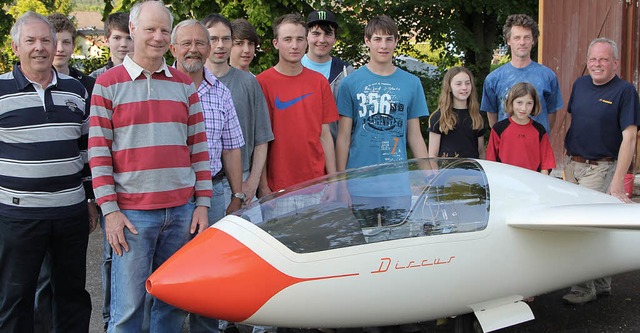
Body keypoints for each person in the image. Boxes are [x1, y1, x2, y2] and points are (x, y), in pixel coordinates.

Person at [88, 2, 212, 332]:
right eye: (150, 29)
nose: (157, 37)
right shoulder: (108, 85)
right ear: (132, 29)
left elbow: (199, 149)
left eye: (164, 30)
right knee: (128, 310)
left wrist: (202, 204)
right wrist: (110, 212)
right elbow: (98, 154)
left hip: (181, 213)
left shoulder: (185, 85)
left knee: (172, 306)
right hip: (132, 216)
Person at [0, 11, 94, 332]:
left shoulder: (76, 90)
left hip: (70, 215)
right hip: (17, 217)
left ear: (55, 45)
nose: (39, 47)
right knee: (15, 298)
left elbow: (85, 150)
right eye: (31, 41)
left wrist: (91, 200)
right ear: (16, 47)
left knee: (71, 296)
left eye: (45, 40)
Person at [169, 17, 246, 333]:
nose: (193, 49)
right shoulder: (159, 86)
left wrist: (237, 196)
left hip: (213, 194)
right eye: (186, 43)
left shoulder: (221, 93)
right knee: (170, 271)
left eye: (200, 43)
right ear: (173, 48)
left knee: (209, 274)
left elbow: (232, 148)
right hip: (169, 197)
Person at [31, 13, 98, 333]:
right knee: (38, 284)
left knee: (70, 283)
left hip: (70, 203)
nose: (54, 48)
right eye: (47, 41)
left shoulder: (83, 87)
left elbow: (89, 147)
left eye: (62, 41)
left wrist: (90, 198)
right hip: (27, 210)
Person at [561, 37, 640, 305]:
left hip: (601, 167)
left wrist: (618, 181)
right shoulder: (580, 84)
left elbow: (629, 138)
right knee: (596, 228)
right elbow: (576, 121)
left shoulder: (625, 92)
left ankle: (584, 288)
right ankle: (602, 283)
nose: (597, 64)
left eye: (603, 59)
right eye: (593, 59)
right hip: (573, 165)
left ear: (615, 63)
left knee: (581, 228)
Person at [335, 15, 428, 227]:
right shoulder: (350, 83)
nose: (383, 45)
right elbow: (343, 137)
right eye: (377, 39)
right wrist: (341, 184)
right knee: (361, 249)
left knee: (397, 249)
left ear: (396, 41)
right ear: (367, 41)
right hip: (359, 186)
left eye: (388, 39)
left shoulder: (411, 83)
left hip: (397, 186)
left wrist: (427, 175)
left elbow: (415, 136)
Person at [256, 13, 338, 217]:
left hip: (316, 187)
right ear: (276, 43)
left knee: (315, 246)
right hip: (278, 191)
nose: (294, 45)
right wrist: (264, 186)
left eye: (300, 39)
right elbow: (261, 140)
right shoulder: (262, 83)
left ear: (306, 41)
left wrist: (334, 182)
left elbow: (325, 135)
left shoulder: (319, 82)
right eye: (288, 39)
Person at [203, 13, 273, 209]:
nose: (220, 45)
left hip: (242, 179)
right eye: (213, 39)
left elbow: (262, 138)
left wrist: (252, 183)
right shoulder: (192, 82)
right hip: (202, 182)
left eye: (225, 39)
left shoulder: (249, 82)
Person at [481, 14, 563, 133]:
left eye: (527, 37)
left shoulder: (548, 76)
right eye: (517, 38)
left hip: (536, 147)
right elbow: (493, 117)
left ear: (533, 40)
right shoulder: (493, 79)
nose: (522, 42)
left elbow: (551, 115)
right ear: (508, 40)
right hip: (507, 147)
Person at [486, 82, 555, 173]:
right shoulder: (499, 128)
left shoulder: (539, 130)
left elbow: (546, 163)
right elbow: (491, 161)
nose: (524, 108)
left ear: (534, 104)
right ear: (511, 102)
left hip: (532, 182)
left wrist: (540, 183)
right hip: (505, 181)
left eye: (529, 103)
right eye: (519, 102)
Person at [428, 66, 485, 159]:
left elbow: (481, 152)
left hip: (473, 171)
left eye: (467, 83)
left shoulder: (476, 116)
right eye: (458, 84)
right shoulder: (439, 117)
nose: (464, 87)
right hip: (447, 171)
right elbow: (432, 156)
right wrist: (435, 173)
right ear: (449, 87)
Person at [89, 12, 133, 78]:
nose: (123, 44)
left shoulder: (147, 77)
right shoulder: (95, 78)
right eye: (117, 38)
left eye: (129, 38)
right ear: (106, 40)